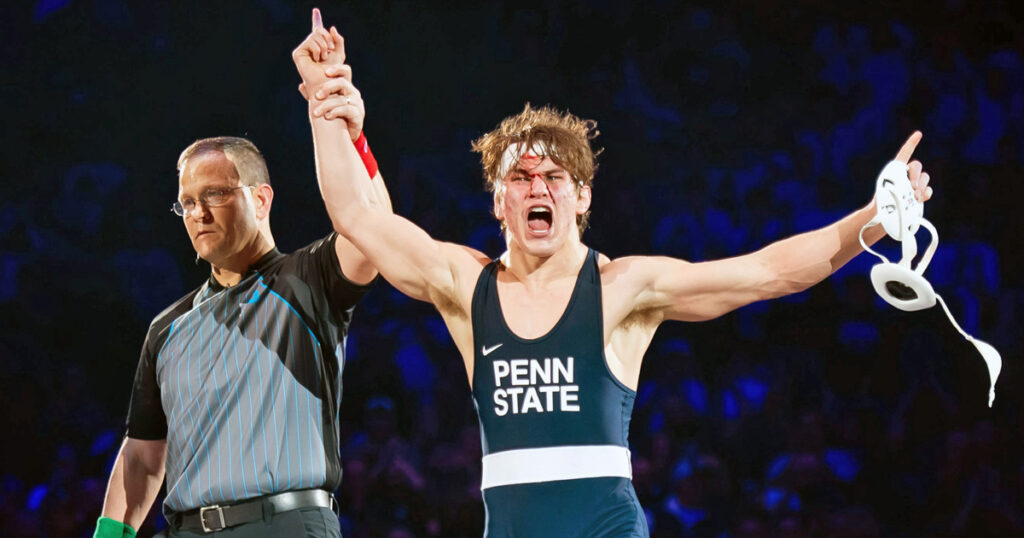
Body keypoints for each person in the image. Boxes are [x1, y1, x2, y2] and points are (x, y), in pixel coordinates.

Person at [298, 15, 933, 538]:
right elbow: (356, 215)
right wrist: (328, 108)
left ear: (582, 198)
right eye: (520, 178)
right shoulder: (465, 284)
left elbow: (769, 274)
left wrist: (875, 220)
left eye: (554, 178)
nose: (537, 187)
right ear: (499, 202)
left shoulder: (624, 287)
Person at [93, 12, 389, 538]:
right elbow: (142, 457)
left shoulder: (308, 280)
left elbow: (376, 232)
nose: (198, 213)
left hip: (286, 524)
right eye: (186, 202)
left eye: (214, 195)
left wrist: (343, 125)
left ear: (261, 198)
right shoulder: (166, 329)